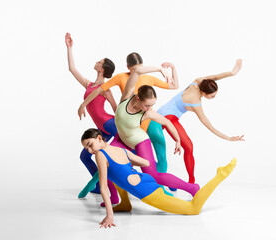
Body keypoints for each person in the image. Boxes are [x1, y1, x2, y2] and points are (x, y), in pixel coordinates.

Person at [81, 128, 236, 228]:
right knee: (116, 177)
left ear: (100, 138)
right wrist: (128, 163)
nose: (89, 150)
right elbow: (146, 162)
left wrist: (109, 215)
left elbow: (103, 187)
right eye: (86, 148)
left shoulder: (100, 155)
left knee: (193, 209)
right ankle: (125, 204)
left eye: (89, 144)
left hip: (147, 192)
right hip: (145, 179)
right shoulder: (120, 150)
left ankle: (219, 175)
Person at [78, 52, 179, 196]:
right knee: (114, 158)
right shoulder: (122, 78)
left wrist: (171, 69)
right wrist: (117, 116)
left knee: (160, 157)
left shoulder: (148, 78)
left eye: (140, 68)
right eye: (133, 69)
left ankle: (162, 186)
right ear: (128, 67)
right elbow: (103, 92)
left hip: (148, 121)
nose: (136, 71)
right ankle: (105, 189)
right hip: (130, 124)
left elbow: (174, 86)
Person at [149, 59, 245, 184]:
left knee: (183, 147)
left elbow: (215, 77)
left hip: (163, 112)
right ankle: (191, 182)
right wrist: (228, 138)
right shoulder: (195, 103)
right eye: (212, 96)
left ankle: (184, 180)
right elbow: (210, 126)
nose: (213, 98)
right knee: (188, 147)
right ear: (204, 93)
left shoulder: (198, 81)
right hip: (167, 117)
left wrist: (232, 73)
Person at [65, 32, 119, 203]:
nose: (96, 62)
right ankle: (97, 186)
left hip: (110, 124)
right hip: (101, 129)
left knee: (107, 158)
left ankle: (114, 194)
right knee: (84, 156)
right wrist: (69, 47)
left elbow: (115, 108)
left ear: (102, 69)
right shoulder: (89, 84)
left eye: (99, 61)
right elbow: (72, 69)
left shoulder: (105, 87)